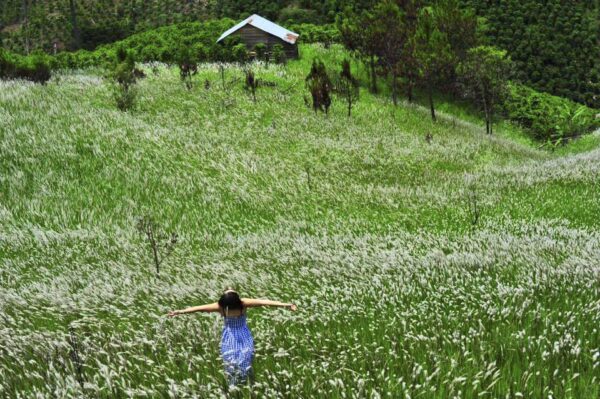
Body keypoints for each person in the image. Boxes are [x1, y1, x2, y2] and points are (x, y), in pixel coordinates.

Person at [167, 288, 297, 386]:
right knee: (246, 357)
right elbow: (264, 302)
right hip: (243, 334)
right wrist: (287, 305)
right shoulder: (243, 303)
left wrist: (179, 312)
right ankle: (247, 383)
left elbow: (198, 308)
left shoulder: (220, 307)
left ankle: (234, 384)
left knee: (231, 360)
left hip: (229, 336)